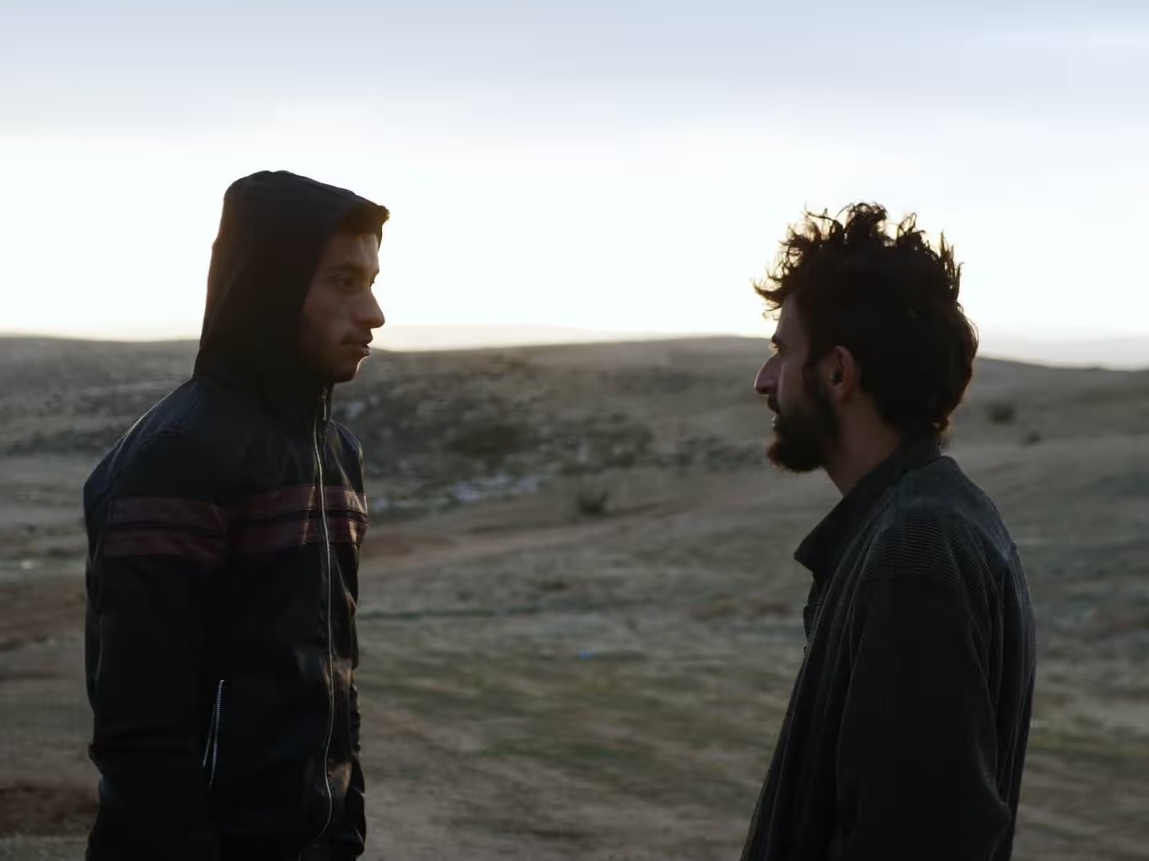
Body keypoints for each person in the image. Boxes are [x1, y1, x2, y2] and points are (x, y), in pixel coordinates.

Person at [82, 170, 389, 861]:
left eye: (371, 280)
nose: (372, 312)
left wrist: (345, 822)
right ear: (271, 287)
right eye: (343, 282)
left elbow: (330, 671)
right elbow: (141, 727)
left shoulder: (335, 451)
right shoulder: (179, 456)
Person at [742, 203, 1036, 861]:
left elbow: (919, 839)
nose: (763, 380)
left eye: (782, 352)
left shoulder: (916, 550)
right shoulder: (921, 522)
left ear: (837, 373)